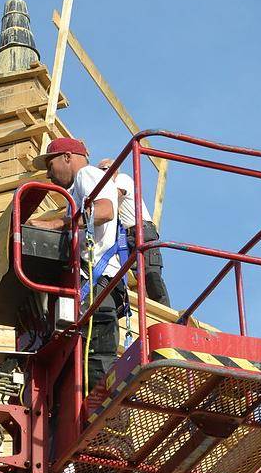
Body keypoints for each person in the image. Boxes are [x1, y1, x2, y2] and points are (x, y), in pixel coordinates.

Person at [30, 137, 123, 392]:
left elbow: (104, 211)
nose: (48, 174)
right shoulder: (77, 191)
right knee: (84, 361)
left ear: (68, 157)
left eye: (50, 165)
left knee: (95, 362)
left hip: (97, 283)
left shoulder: (87, 175)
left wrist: (55, 224)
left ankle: (106, 420)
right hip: (95, 285)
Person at [98, 158, 171, 307]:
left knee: (151, 275)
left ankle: (165, 313)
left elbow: (115, 195)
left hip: (142, 231)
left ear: (113, 169)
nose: (101, 176)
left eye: (103, 171)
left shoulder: (121, 179)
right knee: (135, 278)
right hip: (128, 236)